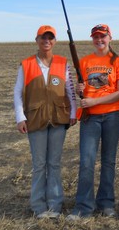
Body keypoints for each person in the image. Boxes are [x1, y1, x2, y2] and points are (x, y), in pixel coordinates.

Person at [13, 25, 77, 219]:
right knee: (39, 164)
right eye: (43, 37)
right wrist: (20, 117)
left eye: (50, 38)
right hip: (35, 119)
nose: (46, 41)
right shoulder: (26, 64)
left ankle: (55, 205)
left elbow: (70, 90)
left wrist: (73, 112)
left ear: (55, 41)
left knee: (54, 163)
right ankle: (38, 206)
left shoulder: (62, 63)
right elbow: (17, 93)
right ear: (37, 40)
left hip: (58, 119)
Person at [67, 24, 119, 220]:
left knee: (108, 161)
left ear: (110, 37)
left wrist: (95, 101)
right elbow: (82, 90)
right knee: (86, 161)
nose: (99, 40)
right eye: (96, 37)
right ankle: (83, 207)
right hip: (90, 117)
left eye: (103, 36)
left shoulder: (118, 62)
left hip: (113, 115)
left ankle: (106, 204)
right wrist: (80, 90)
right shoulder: (84, 62)